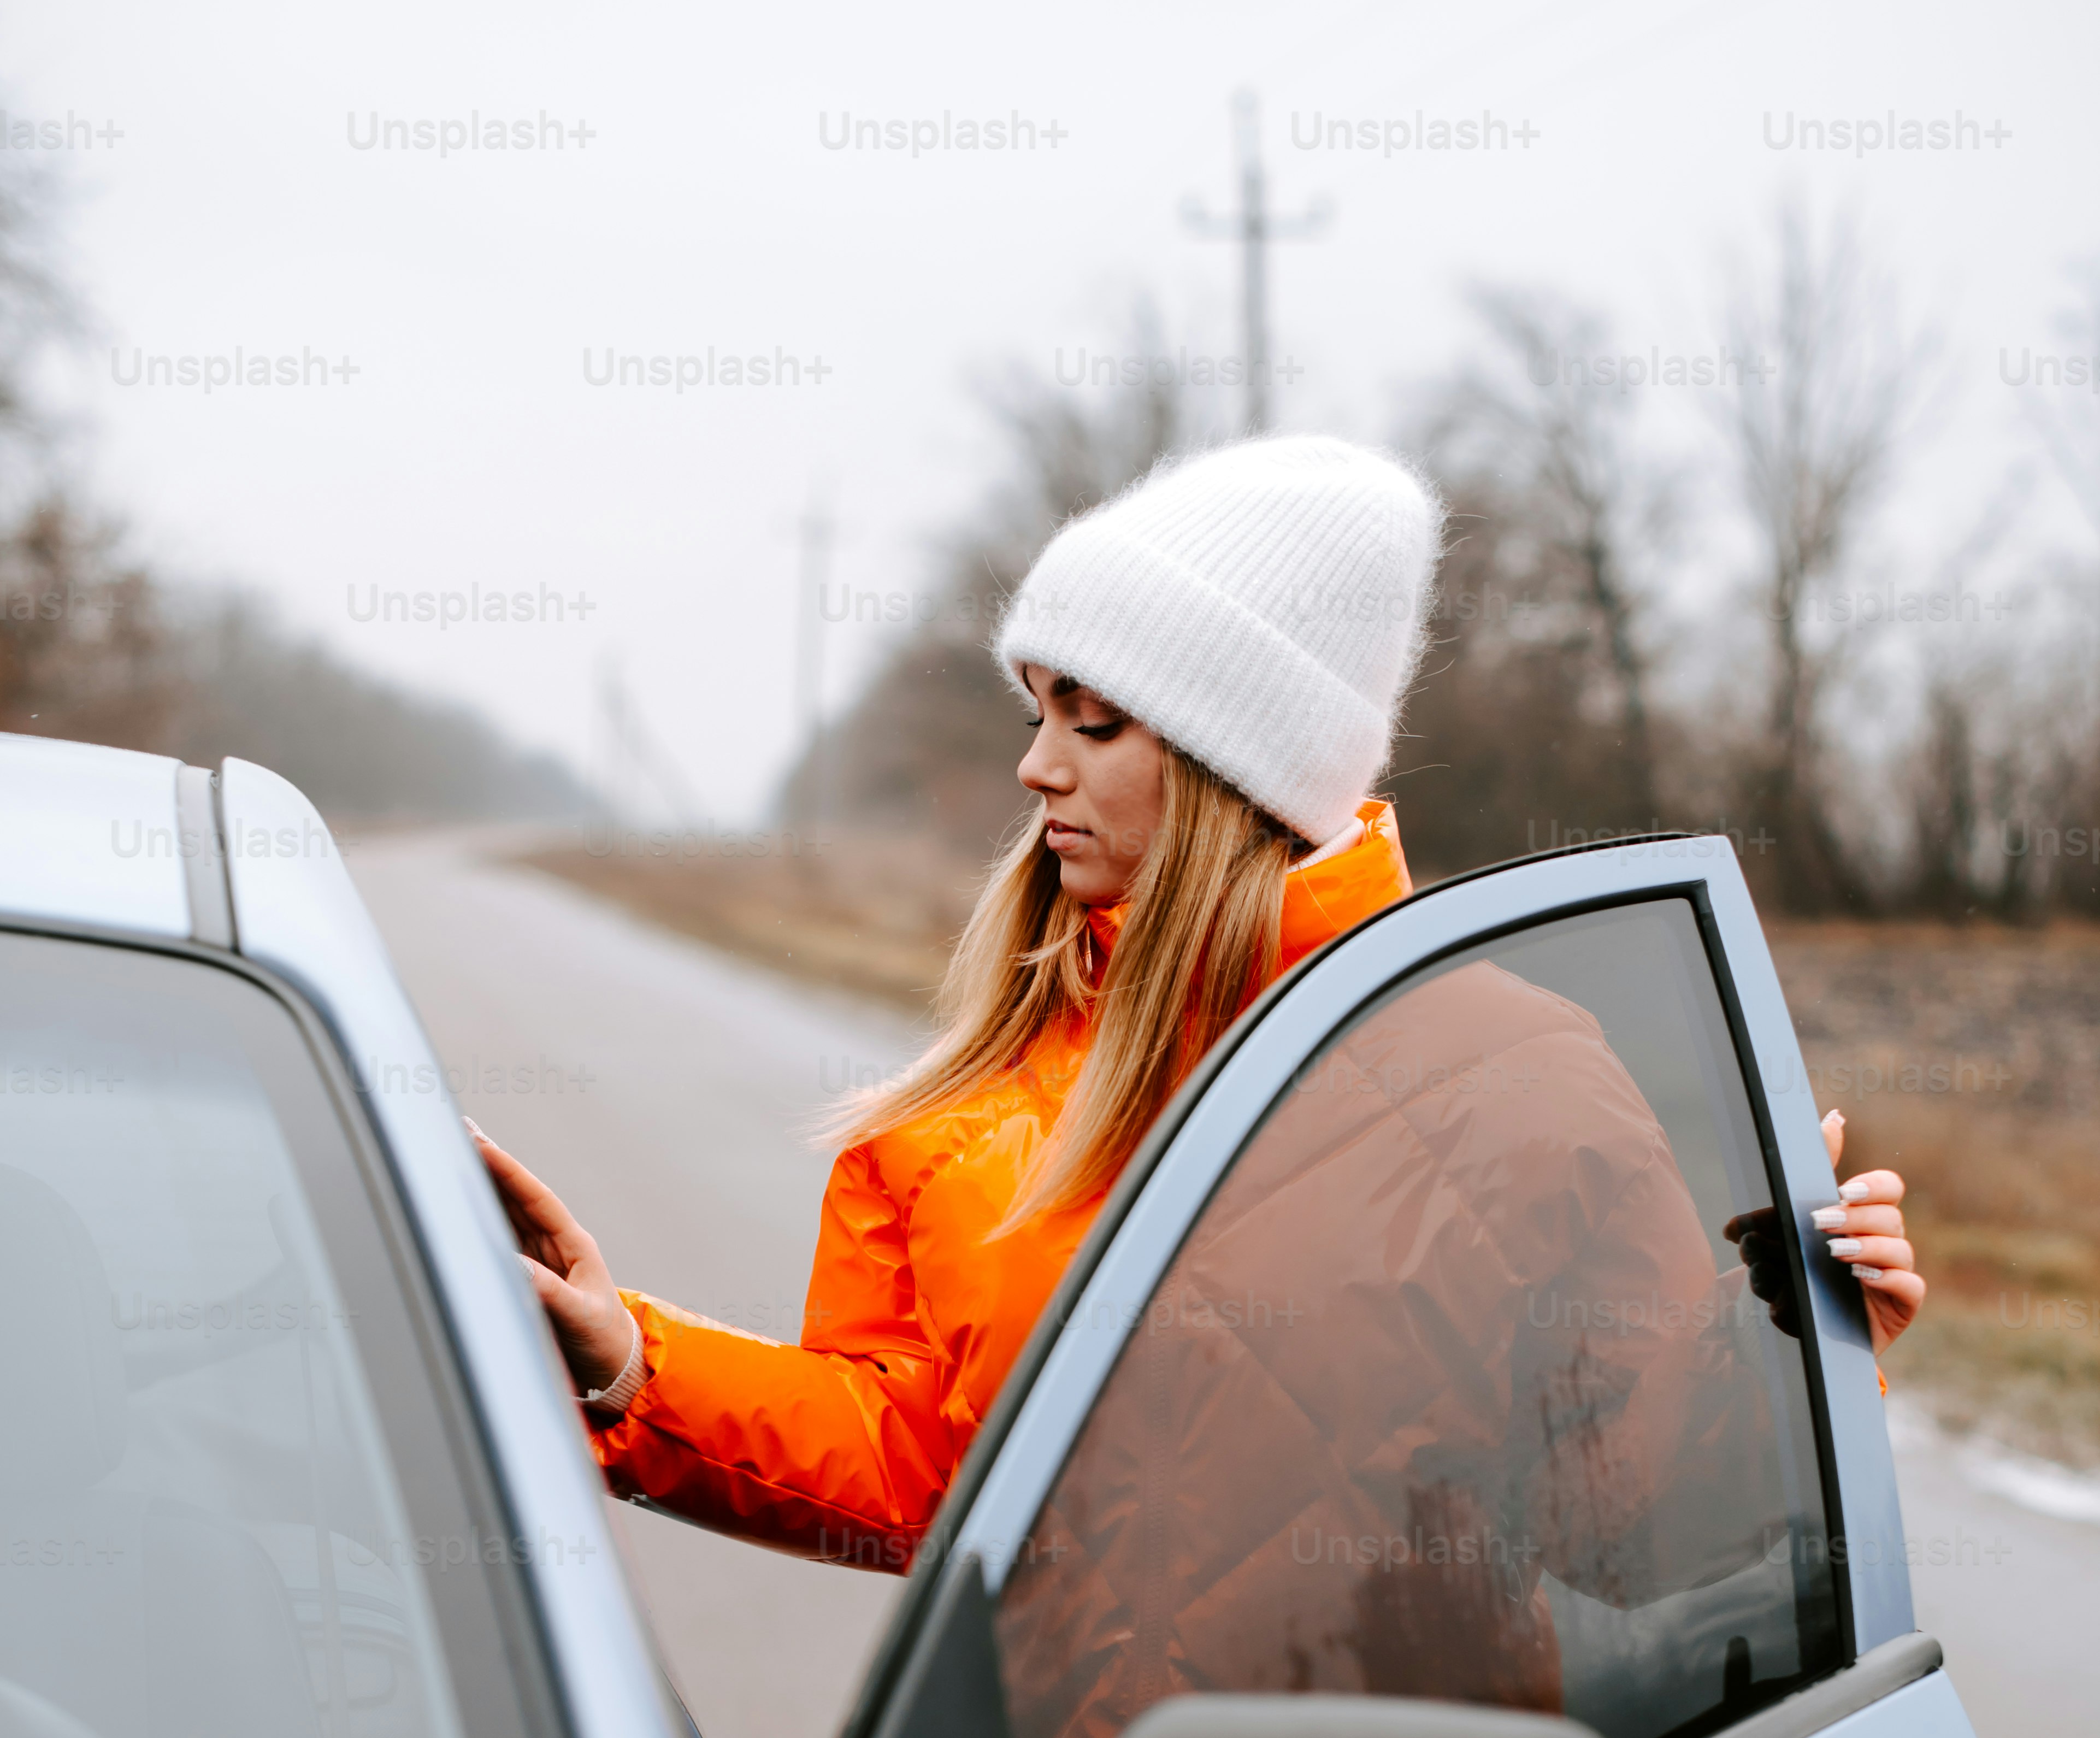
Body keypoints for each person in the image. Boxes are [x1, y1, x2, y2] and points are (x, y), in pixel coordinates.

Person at [473, 435, 1922, 1583]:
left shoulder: (1511, 1085)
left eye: (1092, 722)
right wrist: (634, 1367)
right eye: (1034, 712)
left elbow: (1643, 1538)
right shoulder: (969, 1109)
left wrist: (1807, 1337)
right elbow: (919, 1474)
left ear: (1242, 769)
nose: (1036, 767)